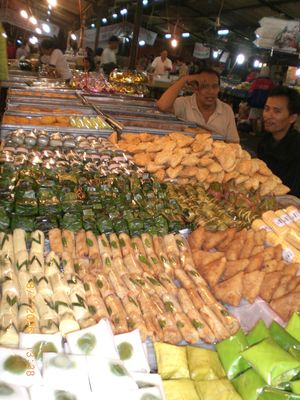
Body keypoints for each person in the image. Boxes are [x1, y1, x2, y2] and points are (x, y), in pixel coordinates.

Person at [156, 67, 239, 143]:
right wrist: (185, 79)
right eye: (205, 86)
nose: (210, 91)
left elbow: (234, 143)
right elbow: (162, 106)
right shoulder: (185, 103)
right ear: (195, 88)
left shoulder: (226, 110)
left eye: (215, 86)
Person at [257, 86, 300, 197]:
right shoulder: (264, 140)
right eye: (267, 109)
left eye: (277, 111)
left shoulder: (296, 149)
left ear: (292, 118)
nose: (268, 115)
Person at [248, 66, 274, 135]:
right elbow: (272, 93)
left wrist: (249, 100)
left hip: (255, 103)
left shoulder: (256, 81)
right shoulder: (270, 82)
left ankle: (254, 131)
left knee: (253, 118)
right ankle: (263, 132)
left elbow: (251, 91)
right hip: (265, 103)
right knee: (264, 118)